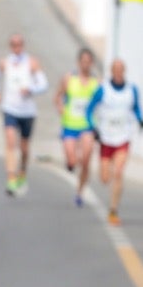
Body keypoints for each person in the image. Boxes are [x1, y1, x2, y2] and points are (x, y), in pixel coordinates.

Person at [85, 57, 143, 227]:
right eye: (115, 70)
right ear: (111, 71)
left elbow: (136, 108)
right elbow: (89, 110)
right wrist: (93, 127)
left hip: (123, 137)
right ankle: (107, 172)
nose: (118, 73)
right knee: (105, 178)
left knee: (118, 172)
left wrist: (141, 119)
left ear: (124, 71)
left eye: (121, 70)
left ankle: (113, 210)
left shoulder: (132, 89)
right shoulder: (103, 89)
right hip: (106, 137)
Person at [0, 33, 47, 197]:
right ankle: (11, 178)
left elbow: (43, 84)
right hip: (10, 109)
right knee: (10, 143)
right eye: (13, 44)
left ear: (23, 45)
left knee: (24, 148)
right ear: (10, 46)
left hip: (27, 111)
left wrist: (31, 89)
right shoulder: (4, 62)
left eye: (19, 44)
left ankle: (22, 171)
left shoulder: (32, 63)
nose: (16, 47)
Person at [56, 48, 101, 207]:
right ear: (78, 62)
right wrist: (61, 108)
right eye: (83, 61)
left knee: (86, 159)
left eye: (88, 62)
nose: (86, 64)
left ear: (92, 63)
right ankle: (70, 162)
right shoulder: (69, 78)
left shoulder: (96, 83)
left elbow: (102, 103)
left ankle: (80, 192)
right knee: (72, 160)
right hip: (70, 125)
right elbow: (58, 96)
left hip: (87, 126)